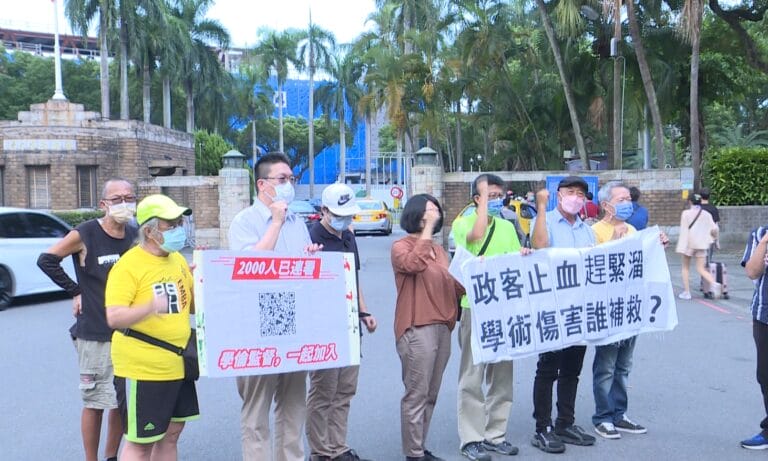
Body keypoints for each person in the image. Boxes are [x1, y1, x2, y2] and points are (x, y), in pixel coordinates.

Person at [228, 152, 322, 461]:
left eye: (291, 179)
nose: (288, 185)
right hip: (257, 326)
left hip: (294, 323)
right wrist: (276, 223)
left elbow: (301, 269)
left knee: (293, 407)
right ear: (262, 184)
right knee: (257, 411)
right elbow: (250, 267)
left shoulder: (297, 222)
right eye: (282, 179)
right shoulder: (245, 221)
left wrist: (311, 256)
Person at [37, 178, 138, 461]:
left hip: (127, 332)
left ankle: (111, 456)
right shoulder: (86, 233)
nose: (124, 204)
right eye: (117, 199)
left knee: (119, 401)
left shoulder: (134, 234)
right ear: (103, 204)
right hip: (94, 331)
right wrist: (76, 290)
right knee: (95, 401)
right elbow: (47, 260)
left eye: (129, 198)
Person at [104, 194, 197, 461]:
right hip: (142, 368)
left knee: (172, 433)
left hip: (178, 363)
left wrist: (201, 280)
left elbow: (190, 307)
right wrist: (150, 306)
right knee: (141, 442)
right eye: (171, 225)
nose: (179, 229)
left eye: (180, 223)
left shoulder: (177, 259)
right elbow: (114, 317)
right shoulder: (128, 266)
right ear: (149, 231)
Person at [453, 174, 523, 461]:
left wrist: (525, 254)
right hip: (475, 307)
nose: (496, 200)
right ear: (476, 199)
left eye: (498, 195)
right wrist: (483, 205)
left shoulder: (507, 226)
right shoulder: (463, 223)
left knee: (502, 375)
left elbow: (516, 260)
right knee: (472, 375)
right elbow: (476, 236)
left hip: (505, 308)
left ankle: (496, 434)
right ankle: (472, 438)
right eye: (488, 196)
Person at [306, 183, 377, 461]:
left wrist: (364, 312)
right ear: (324, 210)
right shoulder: (311, 237)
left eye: (348, 215)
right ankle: (320, 451)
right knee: (323, 391)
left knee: (345, 390)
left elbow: (354, 278)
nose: (344, 219)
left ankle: (338, 447)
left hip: (349, 324)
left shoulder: (348, 236)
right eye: (339, 214)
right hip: (322, 326)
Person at [391, 194, 464, 461]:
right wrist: (428, 231)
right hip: (417, 326)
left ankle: (419, 446)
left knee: (431, 393)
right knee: (417, 393)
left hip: (443, 326)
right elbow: (413, 264)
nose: (434, 214)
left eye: (436, 211)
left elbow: (455, 284)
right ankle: (413, 453)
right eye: (428, 210)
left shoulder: (439, 251)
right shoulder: (401, 246)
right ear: (415, 213)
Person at [529, 176, 597, 454]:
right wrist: (541, 208)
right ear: (559, 195)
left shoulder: (586, 230)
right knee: (548, 369)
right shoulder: (544, 221)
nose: (576, 198)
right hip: (552, 307)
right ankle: (542, 428)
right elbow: (540, 247)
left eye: (581, 194)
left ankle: (565, 423)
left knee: (572, 370)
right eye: (571, 192)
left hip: (578, 309)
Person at [589, 181, 648, 440]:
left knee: (624, 365)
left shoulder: (633, 229)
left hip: (629, 306)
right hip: (607, 309)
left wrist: (657, 245)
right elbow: (592, 265)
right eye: (621, 200)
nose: (628, 204)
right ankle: (603, 417)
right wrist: (613, 241)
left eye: (629, 199)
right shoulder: (594, 231)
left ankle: (619, 414)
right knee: (606, 366)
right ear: (606, 205)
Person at [741, 225, 768, 449]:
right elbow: (751, 272)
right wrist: (765, 241)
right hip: (764, 315)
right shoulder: (759, 234)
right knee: (765, 375)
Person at [675, 192, 720, 300]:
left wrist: (681, 246)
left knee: (685, 268)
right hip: (702, 244)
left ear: (690, 201)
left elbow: (684, 231)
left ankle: (687, 292)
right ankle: (714, 283)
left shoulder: (686, 213)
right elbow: (715, 229)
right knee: (701, 268)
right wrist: (714, 239)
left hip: (689, 244)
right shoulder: (706, 214)